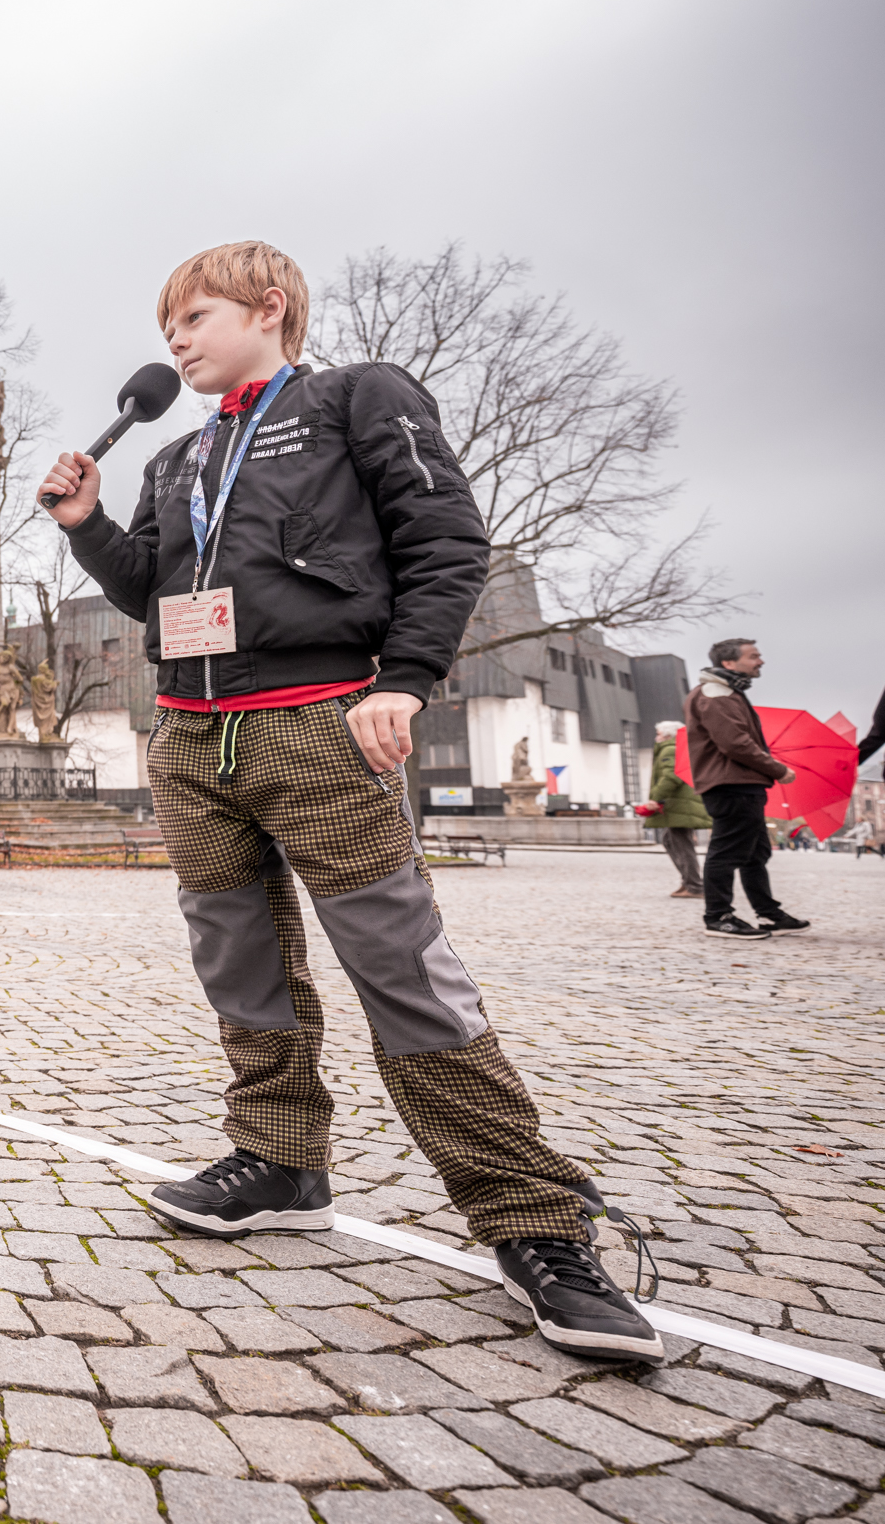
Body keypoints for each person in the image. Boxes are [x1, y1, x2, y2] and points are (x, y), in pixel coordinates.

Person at [41, 239, 659, 1362]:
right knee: (238, 960)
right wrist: (87, 525)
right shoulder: (177, 458)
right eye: (166, 325)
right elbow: (149, 596)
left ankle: (534, 1220)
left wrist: (407, 681)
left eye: (195, 318)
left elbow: (444, 541)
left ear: (268, 309)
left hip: (320, 724)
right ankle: (279, 1160)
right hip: (191, 739)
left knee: (399, 970)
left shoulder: (354, 400)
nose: (173, 341)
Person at [684, 638, 809, 941]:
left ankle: (768, 912)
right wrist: (778, 770)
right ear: (728, 663)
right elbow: (734, 744)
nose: (760, 661)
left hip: (740, 784)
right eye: (754, 656)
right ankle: (718, 917)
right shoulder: (716, 694)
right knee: (727, 851)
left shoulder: (728, 691)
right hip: (731, 785)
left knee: (754, 853)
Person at [637, 720, 710, 899]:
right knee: (671, 840)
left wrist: (655, 797)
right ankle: (689, 881)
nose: (656, 738)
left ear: (668, 736)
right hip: (681, 804)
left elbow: (670, 776)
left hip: (678, 805)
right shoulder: (679, 749)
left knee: (680, 844)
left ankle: (694, 885)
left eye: (659, 734)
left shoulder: (670, 749)